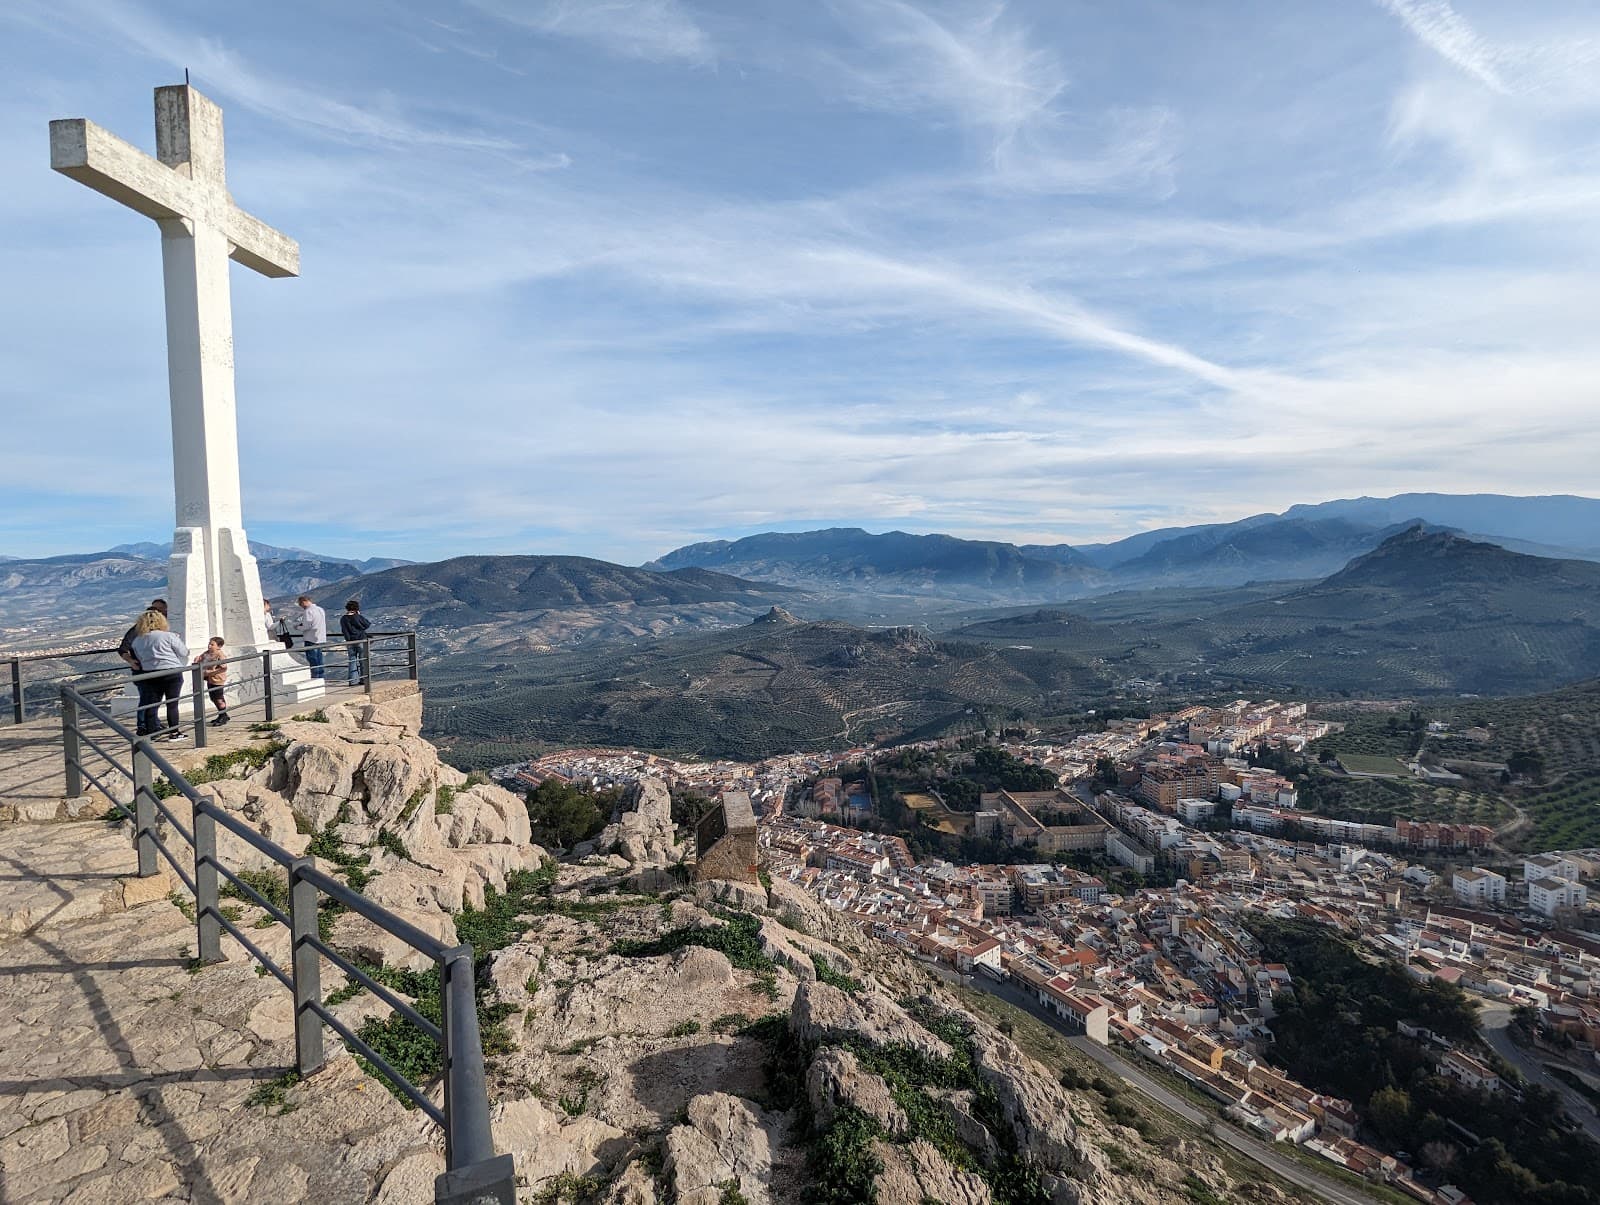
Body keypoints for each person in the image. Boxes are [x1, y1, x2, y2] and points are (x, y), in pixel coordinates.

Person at [129, 610, 189, 739]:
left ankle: (152, 732)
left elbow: (138, 658)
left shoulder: (137, 641)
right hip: (171, 672)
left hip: (150, 674)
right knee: (172, 704)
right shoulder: (168, 636)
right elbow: (184, 652)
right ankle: (174, 732)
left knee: (152, 704)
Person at [193, 637, 230, 726]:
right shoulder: (208, 653)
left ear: (219, 646)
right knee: (213, 697)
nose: (209, 646)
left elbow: (223, 667)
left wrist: (211, 672)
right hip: (209, 679)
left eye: (212, 644)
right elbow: (201, 657)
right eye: (209, 644)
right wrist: (197, 659)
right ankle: (222, 714)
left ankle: (223, 715)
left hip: (217, 679)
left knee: (218, 698)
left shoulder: (219, 654)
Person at [339, 599, 372, 687]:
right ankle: (364, 680)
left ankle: (352, 681)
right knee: (363, 661)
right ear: (357, 608)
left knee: (352, 661)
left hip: (350, 642)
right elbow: (367, 624)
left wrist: (348, 640)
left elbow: (344, 631)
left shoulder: (343, 618)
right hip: (361, 640)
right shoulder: (357, 617)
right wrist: (359, 616)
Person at [295, 595, 328, 680]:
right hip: (320, 637)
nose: (301, 606)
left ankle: (315, 678)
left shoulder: (308, 611)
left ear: (304, 602)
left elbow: (307, 626)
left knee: (312, 660)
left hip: (311, 638)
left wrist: (297, 627)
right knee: (319, 659)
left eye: (300, 604)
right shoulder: (320, 609)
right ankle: (321, 677)